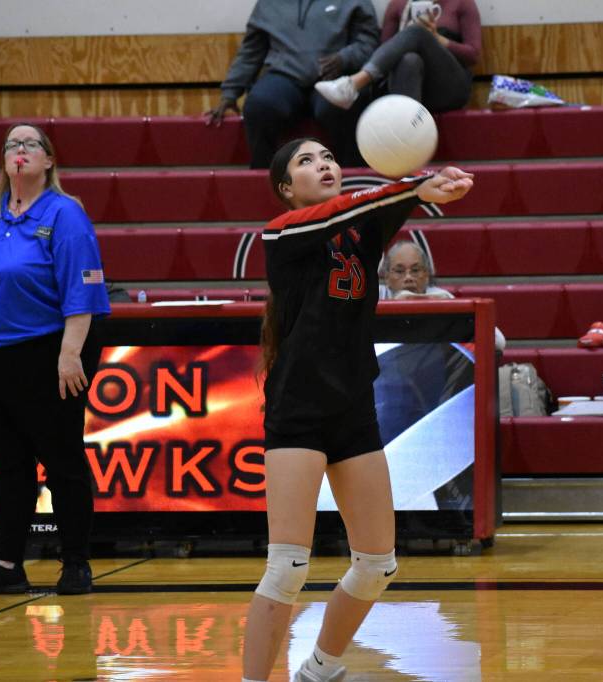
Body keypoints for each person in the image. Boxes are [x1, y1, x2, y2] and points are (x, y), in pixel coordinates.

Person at [242, 138, 473, 682]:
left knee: (376, 565)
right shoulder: (281, 233)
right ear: (283, 188)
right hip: (298, 409)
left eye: (327, 158)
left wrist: (428, 187)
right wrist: (410, 187)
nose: (323, 165)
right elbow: (360, 206)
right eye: (305, 161)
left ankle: (321, 667)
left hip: (354, 407)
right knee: (287, 567)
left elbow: (379, 208)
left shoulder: (358, 228)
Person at [0, 123, 110, 596]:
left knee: (63, 463)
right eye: (12, 144)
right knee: (9, 465)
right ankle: (6, 564)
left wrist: (70, 354)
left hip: (46, 353)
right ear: (4, 160)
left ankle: (75, 562)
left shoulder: (65, 214)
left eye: (30, 143)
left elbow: (83, 289)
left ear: (49, 160)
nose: (20, 150)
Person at [204, 0, 380, 169]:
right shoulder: (268, 4)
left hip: (335, 75)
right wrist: (230, 93)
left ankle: (351, 180)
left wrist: (345, 58)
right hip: (285, 76)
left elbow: (369, 42)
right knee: (260, 106)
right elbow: (251, 51)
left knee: (342, 106)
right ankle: (263, 178)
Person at [314, 0, 481, 113]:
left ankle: (353, 84)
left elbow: (472, 55)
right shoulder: (399, 4)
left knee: (418, 32)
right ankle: (407, 140)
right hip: (407, 84)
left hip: (449, 88)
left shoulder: (461, 3)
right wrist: (406, 37)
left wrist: (436, 39)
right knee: (409, 60)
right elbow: (384, 51)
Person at [379, 239, 505, 350]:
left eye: (415, 270)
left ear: (427, 275)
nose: (408, 277)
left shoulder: (440, 298)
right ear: (387, 277)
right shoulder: (376, 296)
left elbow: (499, 342)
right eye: (400, 271)